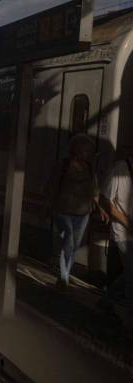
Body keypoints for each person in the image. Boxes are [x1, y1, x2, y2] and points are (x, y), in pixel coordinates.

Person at [45, 134, 105, 289]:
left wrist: (101, 209)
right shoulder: (63, 165)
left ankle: (65, 274)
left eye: (88, 151)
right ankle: (64, 278)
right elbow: (52, 186)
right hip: (62, 210)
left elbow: (95, 191)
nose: (86, 154)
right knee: (69, 241)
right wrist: (48, 205)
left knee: (74, 246)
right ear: (76, 149)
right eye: (84, 150)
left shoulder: (90, 169)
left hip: (83, 214)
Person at [103, 151, 133, 325]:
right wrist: (127, 223)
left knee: (129, 273)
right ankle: (130, 319)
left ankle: (106, 300)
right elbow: (105, 200)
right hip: (122, 233)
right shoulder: (120, 169)